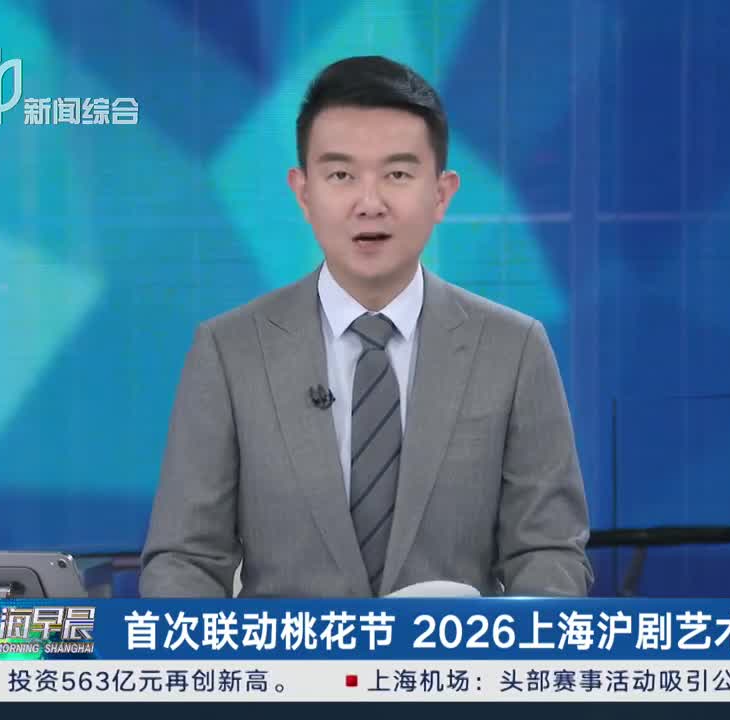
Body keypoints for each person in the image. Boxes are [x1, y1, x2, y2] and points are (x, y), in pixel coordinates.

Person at [139, 56, 593, 598]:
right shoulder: (231, 351)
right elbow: (185, 560)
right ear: (304, 193)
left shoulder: (513, 349)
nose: (370, 203)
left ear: (441, 194)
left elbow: (548, 552)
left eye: (397, 174)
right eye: (341, 175)